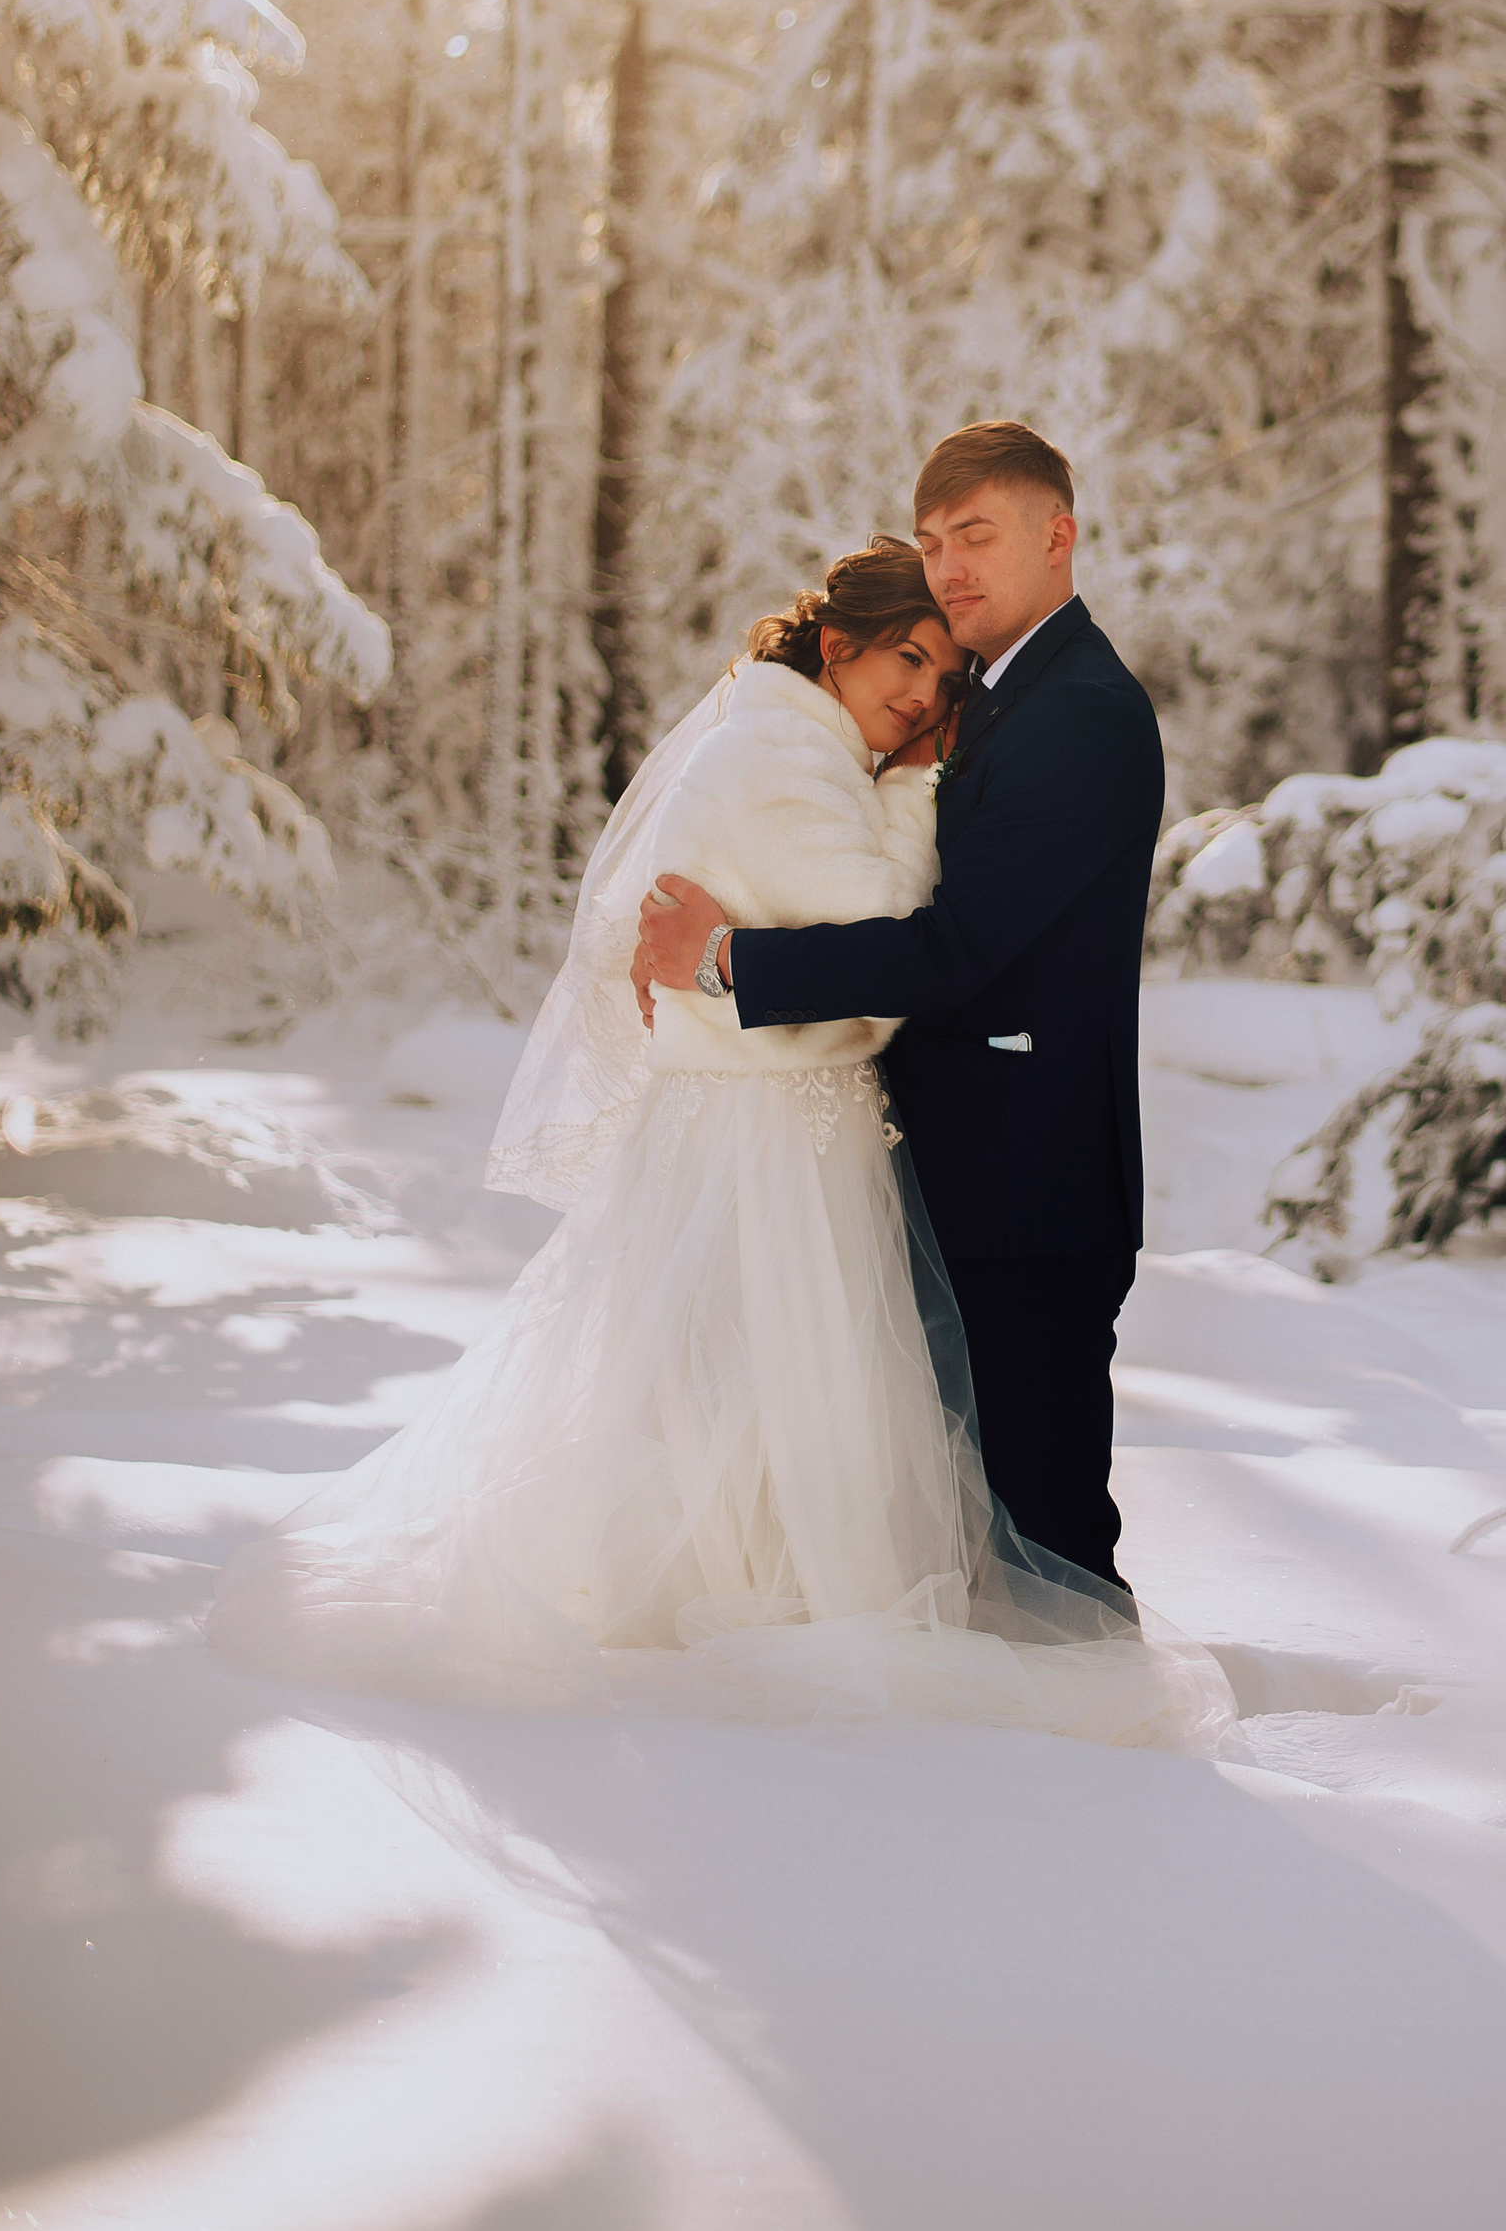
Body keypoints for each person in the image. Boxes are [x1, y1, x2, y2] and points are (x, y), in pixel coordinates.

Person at [210, 532, 1218, 1748]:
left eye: (945, 681)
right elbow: (891, 943)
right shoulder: (782, 759)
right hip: (765, 1139)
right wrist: (914, 782)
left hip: (784, 1127)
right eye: (906, 660)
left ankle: (753, 1595)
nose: (923, 697)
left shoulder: (803, 743)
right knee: (772, 1383)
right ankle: (749, 1622)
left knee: (766, 1394)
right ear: (835, 647)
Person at [638, 420, 1160, 1600]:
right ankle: (991, 1765)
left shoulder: (1080, 709)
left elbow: (953, 951)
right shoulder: (990, 698)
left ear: (1057, 534)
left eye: (976, 535)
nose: (951, 567)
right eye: (931, 543)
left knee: (1050, 1544)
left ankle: (1106, 1769)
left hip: (1030, 1193)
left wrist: (727, 958)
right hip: (956, 1181)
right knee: (967, 1547)